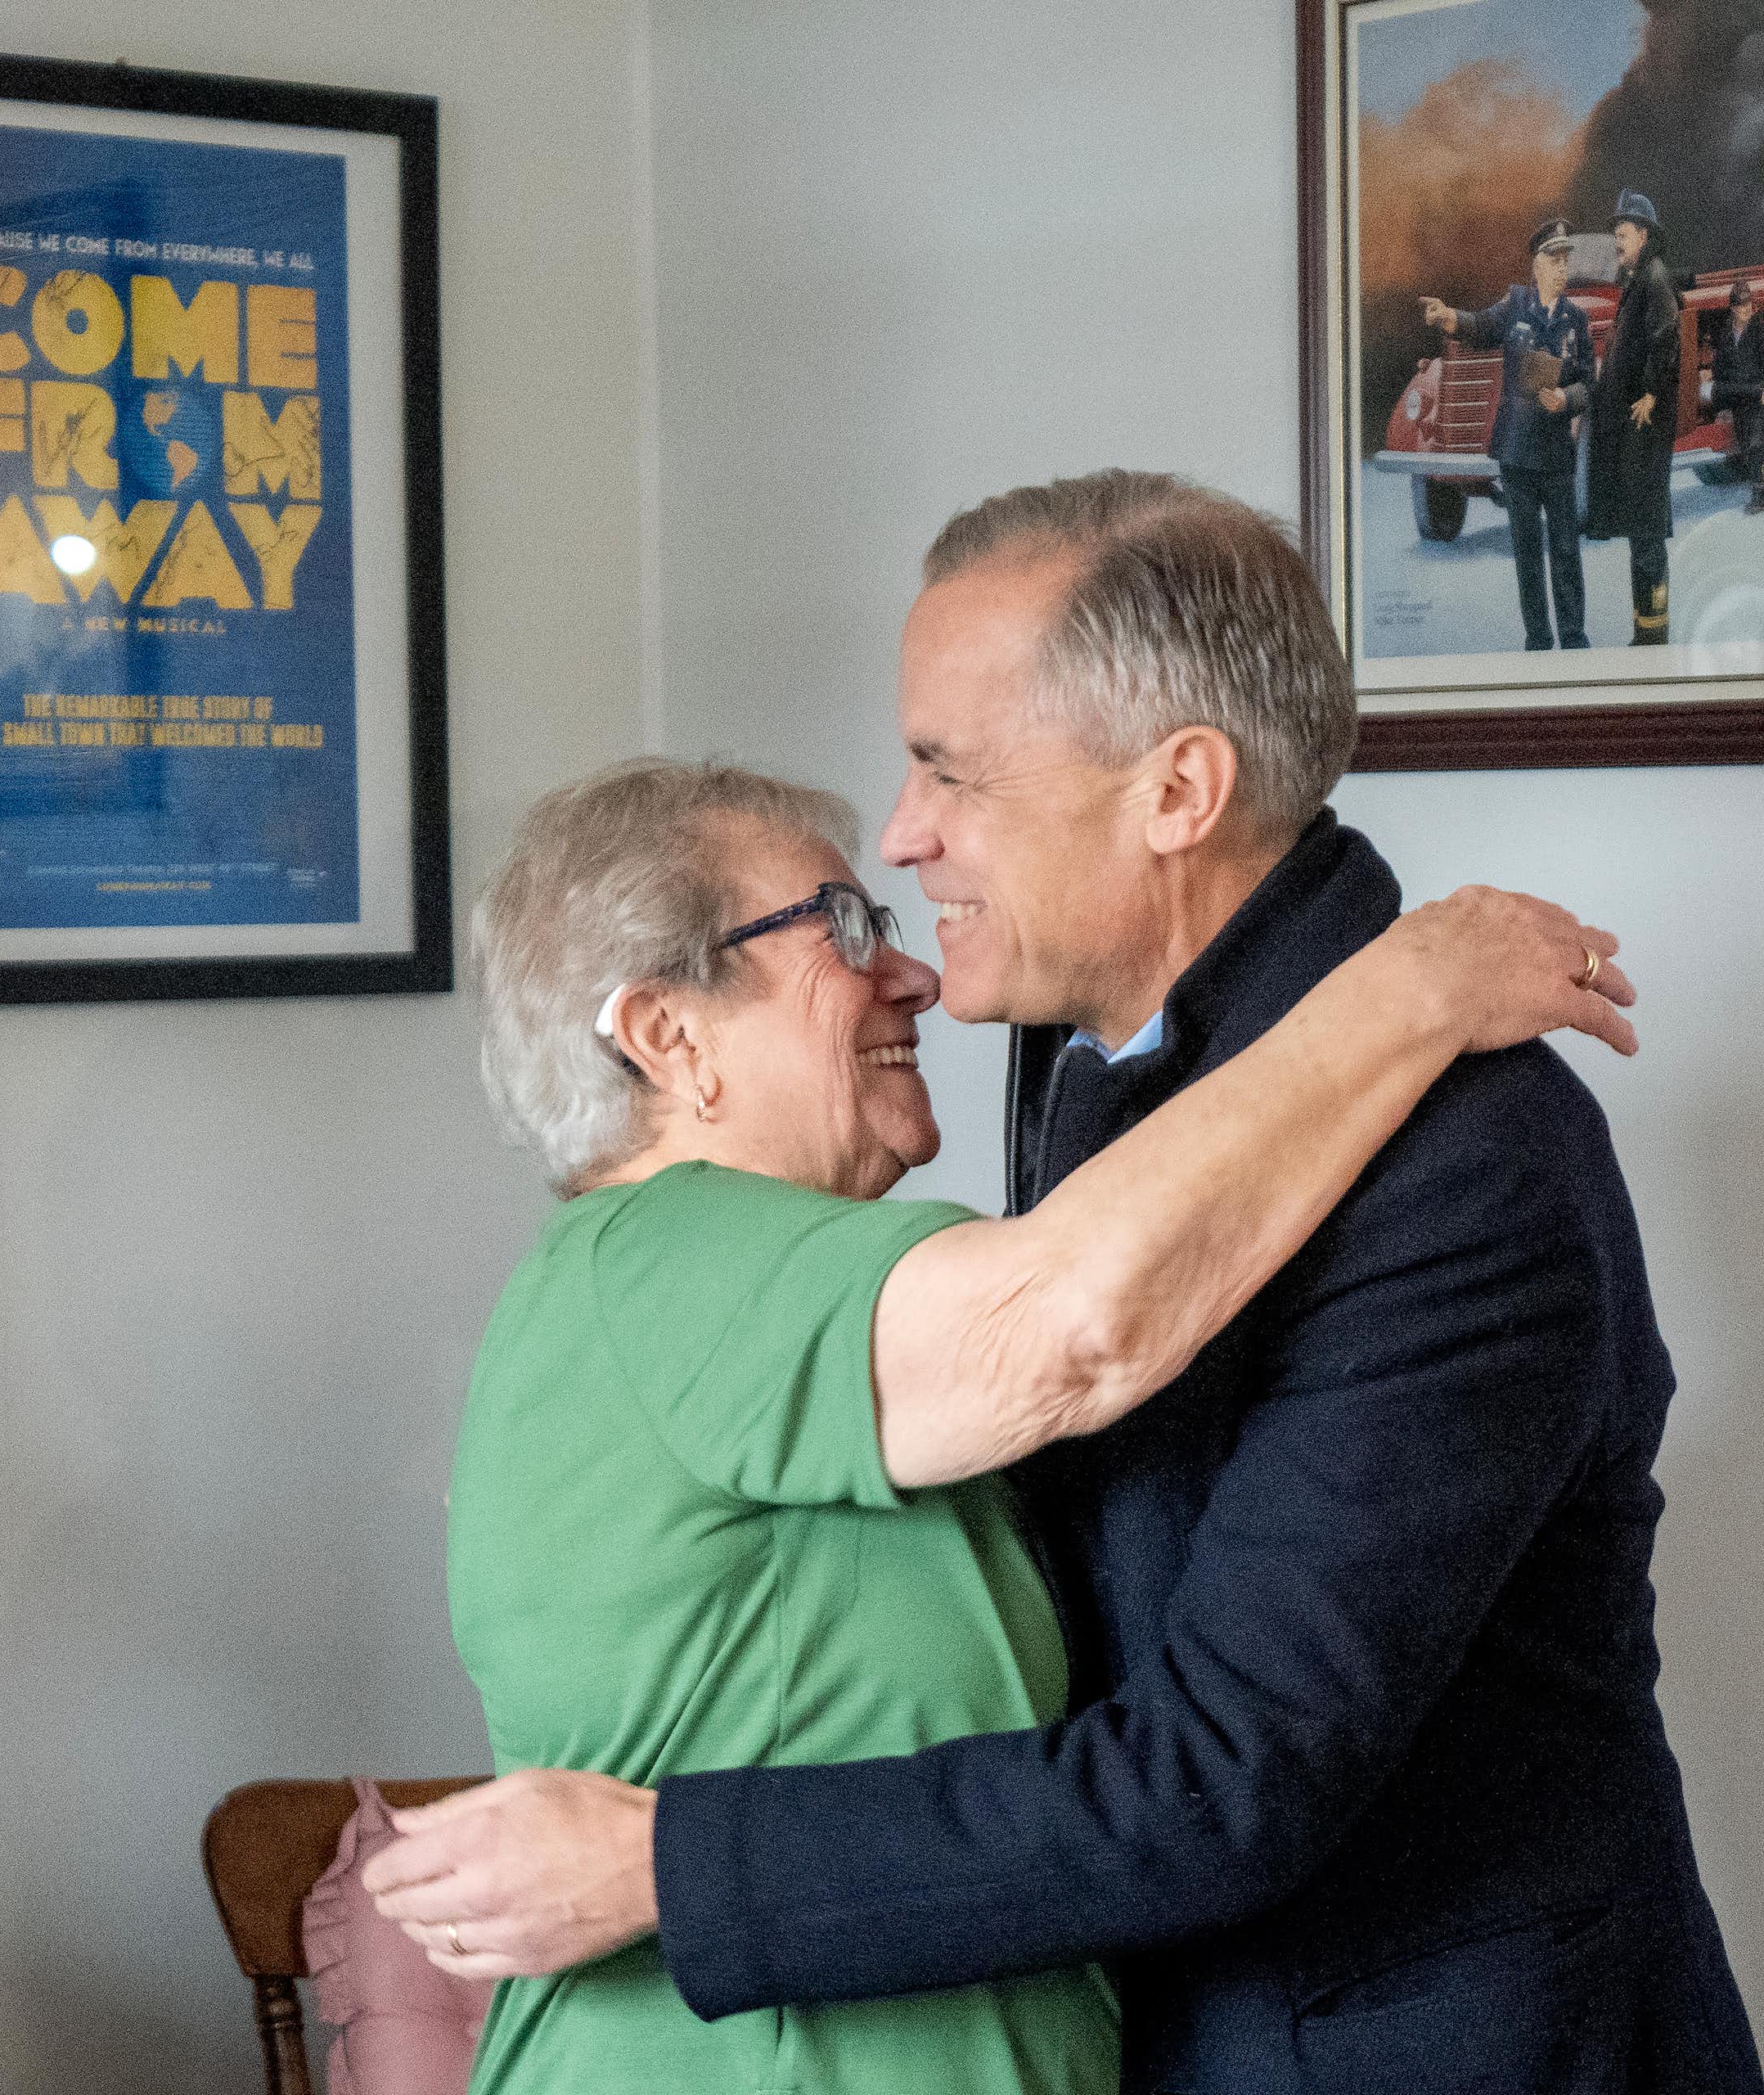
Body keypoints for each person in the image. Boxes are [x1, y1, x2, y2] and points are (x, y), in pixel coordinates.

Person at [368, 475, 1764, 2095]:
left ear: (1175, 792)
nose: (907, 836)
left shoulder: (1463, 1157)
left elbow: (1219, 1778)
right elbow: (1067, 1344)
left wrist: (666, 1864)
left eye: (948, 770)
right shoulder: (1082, 1083)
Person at [1420, 218, 1594, 649]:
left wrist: (1566, 398)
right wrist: (1448, 317)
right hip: (1517, 454)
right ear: (1536, 265)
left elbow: (1590, 384)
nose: (1562, 268)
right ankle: (1538, 640)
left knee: (1566, 550)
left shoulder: (1576, 320)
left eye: (1565, 260)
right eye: (1553, 259)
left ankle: (1574, 638)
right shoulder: (1515, 305)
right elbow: (1480, 326)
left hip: (1557, 455)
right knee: (1528, 554)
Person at [1586, 190, 1681, 644]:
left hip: (1646, 430)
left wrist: (1649, 394)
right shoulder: (1639, 279)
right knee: (1642, 533)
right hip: (1634, 433)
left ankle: (1654, 635)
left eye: (1622, 234)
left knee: (1646, 535)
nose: (1617, 242)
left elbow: (1666, 339)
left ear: (1643, 235)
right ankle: (1646, 629)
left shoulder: (1654, 278)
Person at [1712, 278, 1764, 516]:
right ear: (1733, 308)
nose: (1747, 310)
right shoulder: (1725, 335)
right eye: (1742, 306)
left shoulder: (1760, 329)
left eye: (1749, 304)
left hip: (1759, 395)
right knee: (1745, 445)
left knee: (1756, 445)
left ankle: (1759, 494)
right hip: (1738, 398)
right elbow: (1719, 370)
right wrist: (1721, 403)